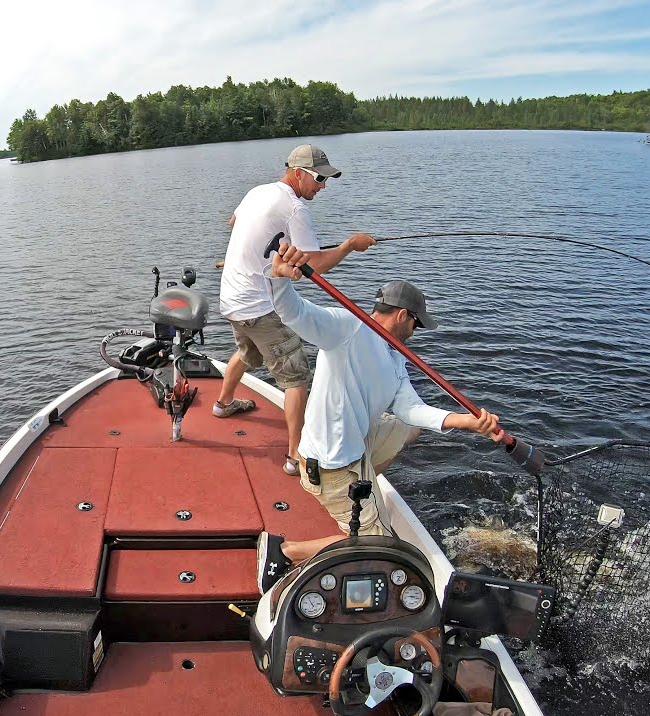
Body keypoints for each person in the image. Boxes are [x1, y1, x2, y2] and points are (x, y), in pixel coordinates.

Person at [255, 243, 504, 593]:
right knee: (379, 547)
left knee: (409, 428)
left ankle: (367, 480)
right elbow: (296, 313)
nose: (415, 335)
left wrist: (468, 422)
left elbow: (411, 409)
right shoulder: (348, 327)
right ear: (403, 316)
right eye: (416, 325)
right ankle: (285, 551)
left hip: (352, 450)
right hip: (331, 466)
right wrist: (281, 279)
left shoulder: (395, 356)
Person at [214, 144, 376, 476]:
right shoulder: (295, 209)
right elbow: (316, 266)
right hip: (260, 304)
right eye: (318, 178)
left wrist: (267, 253)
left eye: (326, 179)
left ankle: (224, 404)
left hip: (231, 299)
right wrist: (348, 246)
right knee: (296, 375)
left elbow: (235, 224)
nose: (322, 186)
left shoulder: (258, 192)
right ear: (298, 172)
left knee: (248, 353)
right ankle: (294, 457)